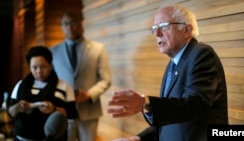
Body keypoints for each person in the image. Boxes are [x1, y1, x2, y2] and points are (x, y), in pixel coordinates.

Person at [107, 4, 228, 141]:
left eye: (164, 26)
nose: (157, 33)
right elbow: (170, 119)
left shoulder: (202, 54)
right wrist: (138, 138)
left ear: (187, 30)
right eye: (154, 28)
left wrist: (146, 103)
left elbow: (194, 106)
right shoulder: (172, 65)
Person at [50, 11, 111, 141]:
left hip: (89, 111)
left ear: (80, 24)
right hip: (64, 111)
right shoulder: (53, 52)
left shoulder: (97, 48)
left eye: (73, 22)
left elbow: (105, 79)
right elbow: (51, 81)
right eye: (65, 23)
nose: (69, 27)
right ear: (61, 27)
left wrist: (89, 95)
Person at [8, 46, 77, 141]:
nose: (39, 71)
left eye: (43, 66)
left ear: (50, 65)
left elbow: (72, 113)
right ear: (29, 67)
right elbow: (10, 112)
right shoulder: (20, 84)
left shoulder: (64, 86)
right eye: (34, 67)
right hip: (21, 138)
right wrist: (19, 106)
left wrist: (54, 109)